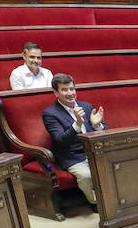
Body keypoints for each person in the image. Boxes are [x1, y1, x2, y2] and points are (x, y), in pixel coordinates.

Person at [42, 74, 105, 205]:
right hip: (73, 156)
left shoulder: (86, 106)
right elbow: (60, 140)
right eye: (64, 90)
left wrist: (97, 125)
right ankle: (96, 203)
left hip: (94, 151)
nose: (70, 93)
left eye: (72, 89)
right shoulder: (50, 113)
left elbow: (104, 130)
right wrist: (77, 124)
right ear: (56, 93)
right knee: (86, 175)